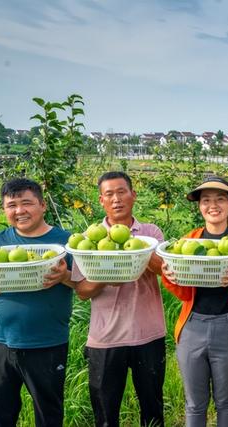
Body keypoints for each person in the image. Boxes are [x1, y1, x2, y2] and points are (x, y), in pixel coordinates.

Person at [0, 178, 75, 427]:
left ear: (43, 205)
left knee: (48, 415)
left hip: (47, 343)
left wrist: (65, 276)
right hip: (0, 341)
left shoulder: (64, 242)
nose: (19, 211)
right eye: (11, 205)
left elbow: (85, 287)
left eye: (27, 203)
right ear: (5, 210)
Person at [161, 176, 228, 427]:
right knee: (194, 402)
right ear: (200, 206)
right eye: (206, 200)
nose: (213, 205)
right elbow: (183, 293)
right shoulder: (187, 243)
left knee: (226, 399)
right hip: (192, 326)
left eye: (220, 199)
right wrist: (170, 276)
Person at [73, 171, 167, 427]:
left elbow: (164, 271)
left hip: (148, 334)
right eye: (109, 194)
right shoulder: (88, 240)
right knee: (105, 413)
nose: (116, 199)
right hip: (105, 339)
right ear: (101, 200)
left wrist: (138, 249)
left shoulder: (150, 232)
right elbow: (82, 291)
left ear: (133, 196)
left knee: (152, 409)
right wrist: (106, 272)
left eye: (122, 192)